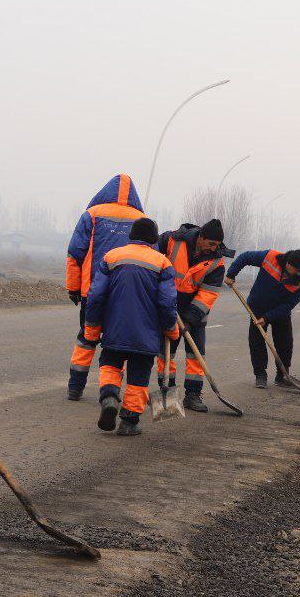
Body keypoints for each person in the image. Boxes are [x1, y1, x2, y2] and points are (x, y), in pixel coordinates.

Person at [81, 217, 178, 436]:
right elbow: (167, 302)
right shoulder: (163, 263)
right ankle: (129, 422)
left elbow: (96, 295)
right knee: (139, 376)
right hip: (146, 334)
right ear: (154, 239)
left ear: (131, 236)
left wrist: (92, 327)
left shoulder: (112, 257)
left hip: (115, 329)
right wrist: (170, 327)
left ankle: (109, 398)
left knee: (110, 364)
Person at [64, 174, 144, 401]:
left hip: (92, 292)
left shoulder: (92, 215)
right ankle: (111, 391)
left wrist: (73, 287)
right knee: (118, 343)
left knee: (87, 338)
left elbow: (75, 254)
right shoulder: (141, 218)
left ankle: (75, 387)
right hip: (127, 297)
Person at [157, 218, 228, 412]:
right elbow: (151, 254)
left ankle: (193, 395)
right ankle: (167, 394)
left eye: (217, 245)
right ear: (201, 237)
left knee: (196, 356)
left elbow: (208, 293)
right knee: (165, 353)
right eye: (211, 243)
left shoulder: (216, 262)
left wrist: (190, 318)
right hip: (168, 307)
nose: (214, 248)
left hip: (196, 313)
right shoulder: (172, 240)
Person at [225, 248, 300, 388]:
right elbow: (245, 256)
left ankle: (282, 375)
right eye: (296, 269)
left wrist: (268, 317)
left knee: (285, 343)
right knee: (256, 341)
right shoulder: (270, 257)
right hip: (257, 307)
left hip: (280, 313)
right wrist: (231, 274)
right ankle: (260, 375)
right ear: (288, 263)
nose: (298, 273)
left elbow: (290, 304)